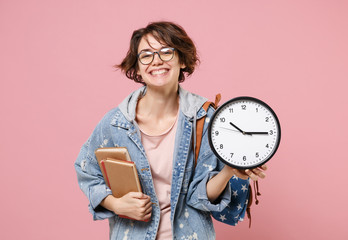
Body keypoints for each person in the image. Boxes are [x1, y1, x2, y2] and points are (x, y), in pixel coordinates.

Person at [75, 21, 267, 240]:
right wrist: (116, 204)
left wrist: (229, 171)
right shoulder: (115, 122)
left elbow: (199, 196)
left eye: (166, 52)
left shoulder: (204, 119)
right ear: (137, 67)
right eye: (146, 55)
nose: (156, 60)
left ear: (182, 60)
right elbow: (87, 171)